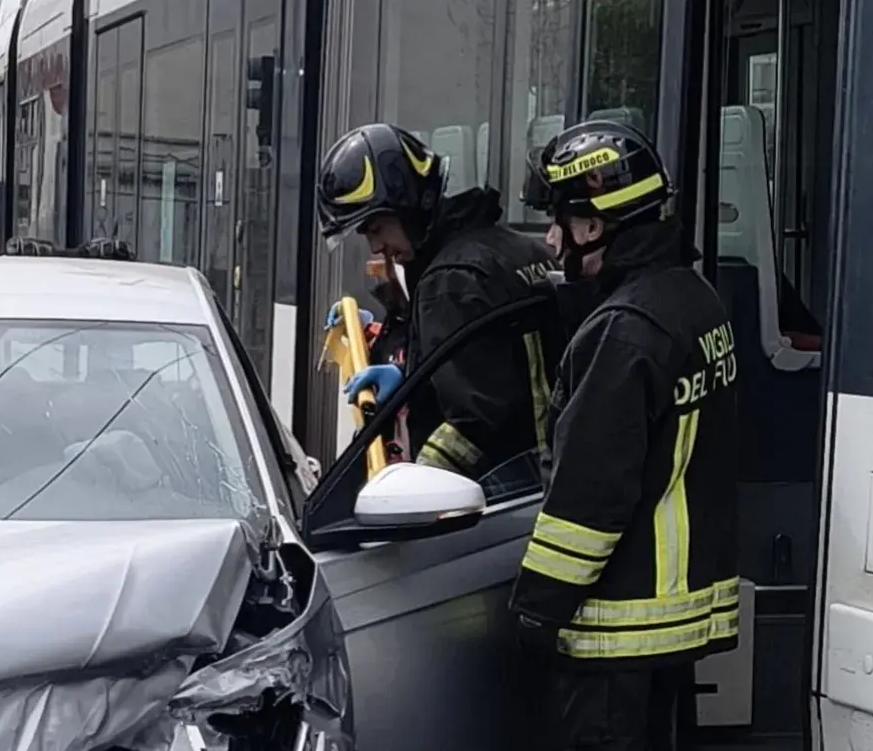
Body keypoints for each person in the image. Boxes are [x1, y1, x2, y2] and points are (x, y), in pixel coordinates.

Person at [510, 120, 741, 750]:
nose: (552, 241)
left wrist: (535, 609)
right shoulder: (696, 299)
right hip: (674, 623)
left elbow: (589, 498)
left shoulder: (624, 330)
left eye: (560, 220)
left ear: (595, 225)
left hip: (616, 628)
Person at [316, 123, 561, 481]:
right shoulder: (520, 248)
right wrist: (410, 374)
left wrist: (413, 485)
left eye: (375, 228)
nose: (374, 247)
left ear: (409, 207)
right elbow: (495, 368)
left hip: (495, 500)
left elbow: (474, 425)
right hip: (542, 482)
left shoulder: (449, 282)